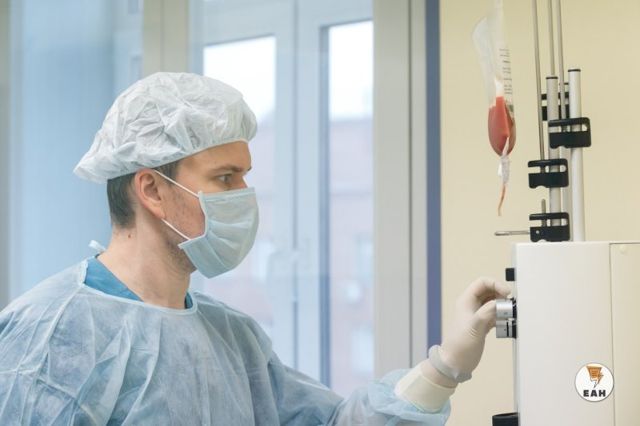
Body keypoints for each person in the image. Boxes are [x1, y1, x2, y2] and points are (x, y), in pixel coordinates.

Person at [0, 72, 510, 425]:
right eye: (225, 178)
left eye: (245, 176)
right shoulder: (52, 334)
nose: (244, 196)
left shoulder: (231, 337)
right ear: (152, 189)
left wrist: (445, 364)